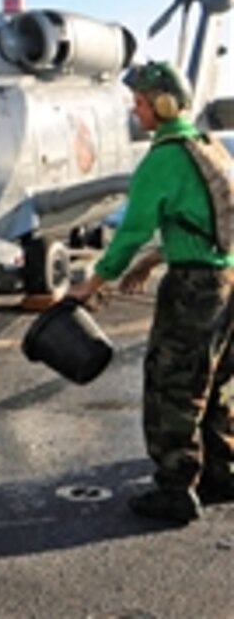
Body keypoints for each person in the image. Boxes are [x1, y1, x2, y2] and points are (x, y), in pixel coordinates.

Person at [67, 60, 234, 522]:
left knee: (172, 384)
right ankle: (223, 472)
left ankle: (176, 489)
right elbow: (205, 221)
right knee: (215, 381)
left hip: (194, 288)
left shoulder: (164, 157)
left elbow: (128, 231)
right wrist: (157, 257)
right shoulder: (208, 146)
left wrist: (92, 283)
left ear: (161, 105)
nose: (135, 112)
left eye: (139, 103)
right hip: (226, 280)